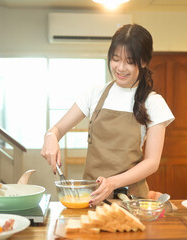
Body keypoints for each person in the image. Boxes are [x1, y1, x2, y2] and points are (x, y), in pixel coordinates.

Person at [41, 24, 174, 206]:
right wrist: (50, 136)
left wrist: (112, 183)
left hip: (130, 200)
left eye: (129, 61)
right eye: (115, 59)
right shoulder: (94, 94)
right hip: (92, 198)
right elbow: (57, 129)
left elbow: (152, 162)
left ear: (143, 61)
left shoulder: (153, 102)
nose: (120, 67)